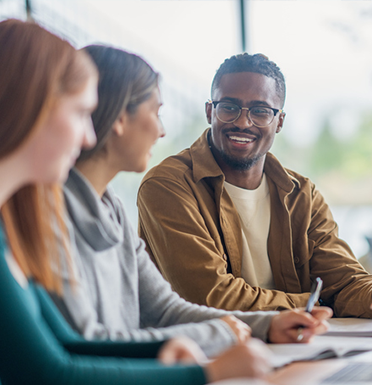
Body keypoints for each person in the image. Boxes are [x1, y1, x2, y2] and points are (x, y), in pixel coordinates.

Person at [0, 20, 272, 385]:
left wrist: (163, 351)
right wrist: (204, 373)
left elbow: (65, 345)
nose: (87, 136)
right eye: (81, 113)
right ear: (32, 108)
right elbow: (44, 373)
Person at [55, 44, 331, 362]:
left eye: (260, 111)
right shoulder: (51, 212)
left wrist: (267, 323)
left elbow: (164, 309)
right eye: (156, 114)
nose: (162, 131)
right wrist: (226, 334)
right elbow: (90, 346)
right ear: (119, 118)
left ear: (278, 121)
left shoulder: (112, 208)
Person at [137, 53, 372, 318]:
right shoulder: (168, 185)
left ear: (279, 121)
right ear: (209, 111)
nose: (242, 122)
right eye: (228, 107)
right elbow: (211, 297)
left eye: (260, 111)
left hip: (298, 347)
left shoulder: (302, 195)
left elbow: (346, 283)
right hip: (206, 352)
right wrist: (313, 305)